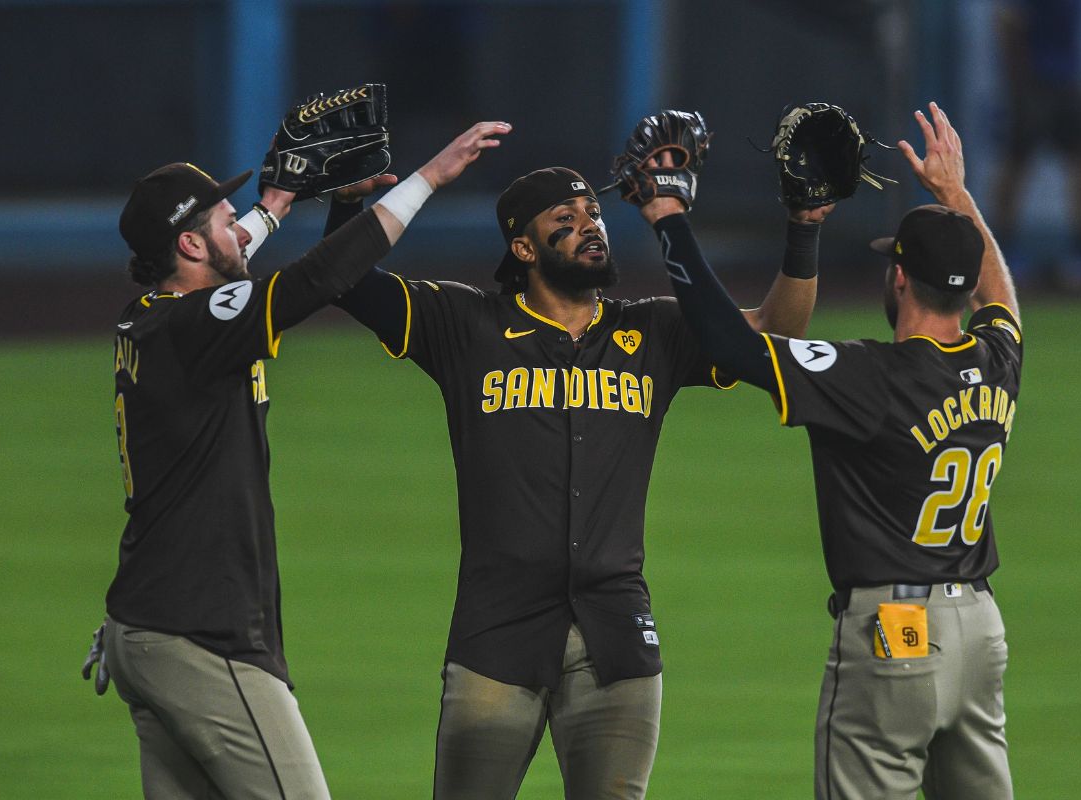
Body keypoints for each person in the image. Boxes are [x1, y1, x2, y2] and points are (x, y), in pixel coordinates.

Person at [322, 154, 825, 797]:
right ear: (523, 245)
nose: (591, 226)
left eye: (594, 213)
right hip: (496, 636)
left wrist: (804, 228)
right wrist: (347, 206)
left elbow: (775, 334)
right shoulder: (465, 325)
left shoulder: (655, 329)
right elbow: (347, 281)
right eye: (566, 218)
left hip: (615, 635)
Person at [95, 120, 509, 799]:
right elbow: (314, 281)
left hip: (141, 630)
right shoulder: (198, 327)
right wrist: (427, 180)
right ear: (191, 243)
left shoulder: (152, 318)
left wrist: (277, 206)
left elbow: (228, 263)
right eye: (228, 219)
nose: (242, 227)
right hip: (202, 634)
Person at [643, 101, 1020, 799]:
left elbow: (732, 346)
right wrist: (956, 196)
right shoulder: (997, 360)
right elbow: (1003, 298)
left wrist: (668, 217)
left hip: (898, 635)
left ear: (899, 278)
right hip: (981, 634)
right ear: (963, 297)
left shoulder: (866, 375)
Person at [992, 0, 1081, 284]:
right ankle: (1002, 249)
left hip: (1071, 78)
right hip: (1035, 80)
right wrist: (1017, 82)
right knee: (1018, 161)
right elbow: (1007, 21)